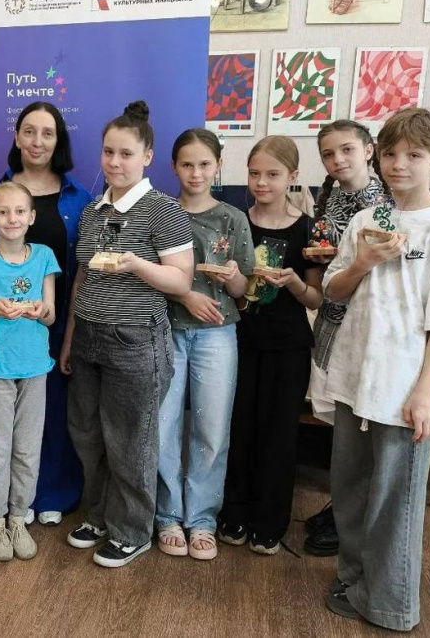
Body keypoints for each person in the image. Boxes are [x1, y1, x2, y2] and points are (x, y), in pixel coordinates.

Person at [323, 108, 430, 631]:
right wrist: (363, 263)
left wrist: (425, 394)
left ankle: (391, 605)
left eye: (413, 155)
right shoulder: (365, 221)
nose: (399, 164)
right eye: (390, 154)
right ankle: (352, 577)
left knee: (395, 500)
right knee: (349, 488)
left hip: (403, 386)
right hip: (353, 377)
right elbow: (333, 290)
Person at [60, 100, 194, 568]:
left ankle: (132, 530)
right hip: (89, 336)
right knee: (88, 434)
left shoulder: (163, 210)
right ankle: (100, 516)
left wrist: (137, 264)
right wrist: (71, 338)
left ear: (147, 156)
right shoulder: (93, 212)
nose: (114, 162)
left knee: (131, 440)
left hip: (136, 341)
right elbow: (82, 277)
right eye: (108, 152)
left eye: (126, 154)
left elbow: (181, 281)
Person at [0, 101, 92, 527]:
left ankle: (53, 492)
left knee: (53, 414)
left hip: (53, 320)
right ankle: (8, 503)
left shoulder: (79, 198)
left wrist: (70, 333)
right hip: (0, 329)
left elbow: (84, 271)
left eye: (47, 133)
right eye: (29, 131)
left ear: (59, 140)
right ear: (17, 137)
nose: (37, 141)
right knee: (4, 425)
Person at [217, 136, 323, 556]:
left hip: (288, 346)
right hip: (239, 340)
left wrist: (293, 282)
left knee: (279, 434)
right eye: (254, 173)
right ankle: (234, 512)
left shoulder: (308, 229)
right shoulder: (234, 222)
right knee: (239, 427)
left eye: (272, 174)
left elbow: (315, 299)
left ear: (292, 176)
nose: (261, 182)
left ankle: (270, 521)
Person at [155, 129, 254, 561]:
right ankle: (166, 515)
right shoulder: (161, 213)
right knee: (163, 424)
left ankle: (202, 520)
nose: (195, 173)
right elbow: (148, 278)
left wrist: (233, 277)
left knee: (211, 428)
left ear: (218, 166)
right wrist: (185, 296)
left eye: (204, 164)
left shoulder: (233, 218)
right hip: (167, 329)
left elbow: (243, 289)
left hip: (218, 334)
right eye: (187, 164)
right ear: (174, 167)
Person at [303, 119, 392, 556]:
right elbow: (324, 259)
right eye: (328, 153)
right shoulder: (331, 198)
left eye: (347, 150)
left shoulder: (385, 203)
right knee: (343, 420)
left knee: (363, 419)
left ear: (369, 150)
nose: (337, 160)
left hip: (369, 320)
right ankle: (344, 509)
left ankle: (357, 518)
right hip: (333, 313)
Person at [0, 181, 61, 561]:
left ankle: (18, 517)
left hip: (35, 368)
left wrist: (40, 310)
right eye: (3, 212)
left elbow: (50, 316)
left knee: (28, 449)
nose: (12, 219)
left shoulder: (45, 256)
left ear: (31, 217)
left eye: (20, 211)